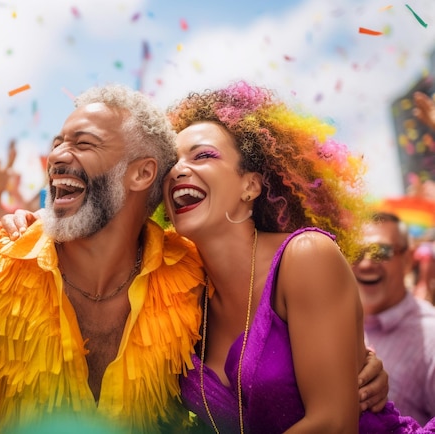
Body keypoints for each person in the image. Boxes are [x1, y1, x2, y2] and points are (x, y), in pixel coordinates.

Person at [0, 84, 386, 434]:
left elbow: (299, 350)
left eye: (82, 144)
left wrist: (362, 366)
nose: (58, 156)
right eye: (57, 143)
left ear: (141, 174)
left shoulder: (186, 275)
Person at [162, 81, 435, 432]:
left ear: (251, 185)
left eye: (203, 155)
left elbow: (333, 424)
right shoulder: (180, 295)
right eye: (171, 162)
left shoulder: (305, 256)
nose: (178, 170)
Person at [352, 212, 435, 425]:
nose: (366, 264)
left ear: (408, 259)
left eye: (381, 252)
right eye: (356, 252)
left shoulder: (430, 336)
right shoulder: (334, 323)